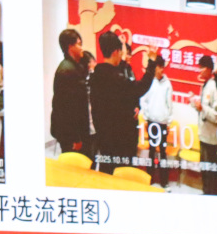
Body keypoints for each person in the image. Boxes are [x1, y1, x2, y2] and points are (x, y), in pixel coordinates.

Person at [90, 31, 155, 174]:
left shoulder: (96, 75)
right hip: (121, 141)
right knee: (122, 175)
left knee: (106, 173)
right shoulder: (117, 79)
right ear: (115, 52)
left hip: (103, 138)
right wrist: (151, 61)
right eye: (121, 52)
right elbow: (141, 87)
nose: (122, 55)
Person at [50, 28, 91, 156]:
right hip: (72, 135)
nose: (81, 48)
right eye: (79, 44)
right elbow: (65, 109)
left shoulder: (75, 66)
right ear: (70, 47)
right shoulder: (66, 71)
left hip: (78, 131)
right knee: (75, 164)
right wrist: (75, 138)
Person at [139, 55, 173, 186]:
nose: (161, 69)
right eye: (159, 67)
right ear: (155, 68)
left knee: (163, 153)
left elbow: (170, 104)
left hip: (163, 122)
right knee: (152, 151)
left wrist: (169, 121)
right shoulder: (150, 82)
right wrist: (146, 117)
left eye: (163, 67)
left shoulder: (167, 84)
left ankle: (164, 182)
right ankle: (150, 179)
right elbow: (143, 100)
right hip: (152, 121)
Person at [191, 54, 217, 194]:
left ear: (209, 69)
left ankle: (211, 195)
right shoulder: (205, 86)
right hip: (203, 135)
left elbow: (216, 115)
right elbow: (203, 109)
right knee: (204, 170)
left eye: (202, 67)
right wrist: (194, 103)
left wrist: (202, 108)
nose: (200, 70)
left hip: (210, 139)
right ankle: (205, 193)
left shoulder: (214, 87)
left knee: (210, 173)